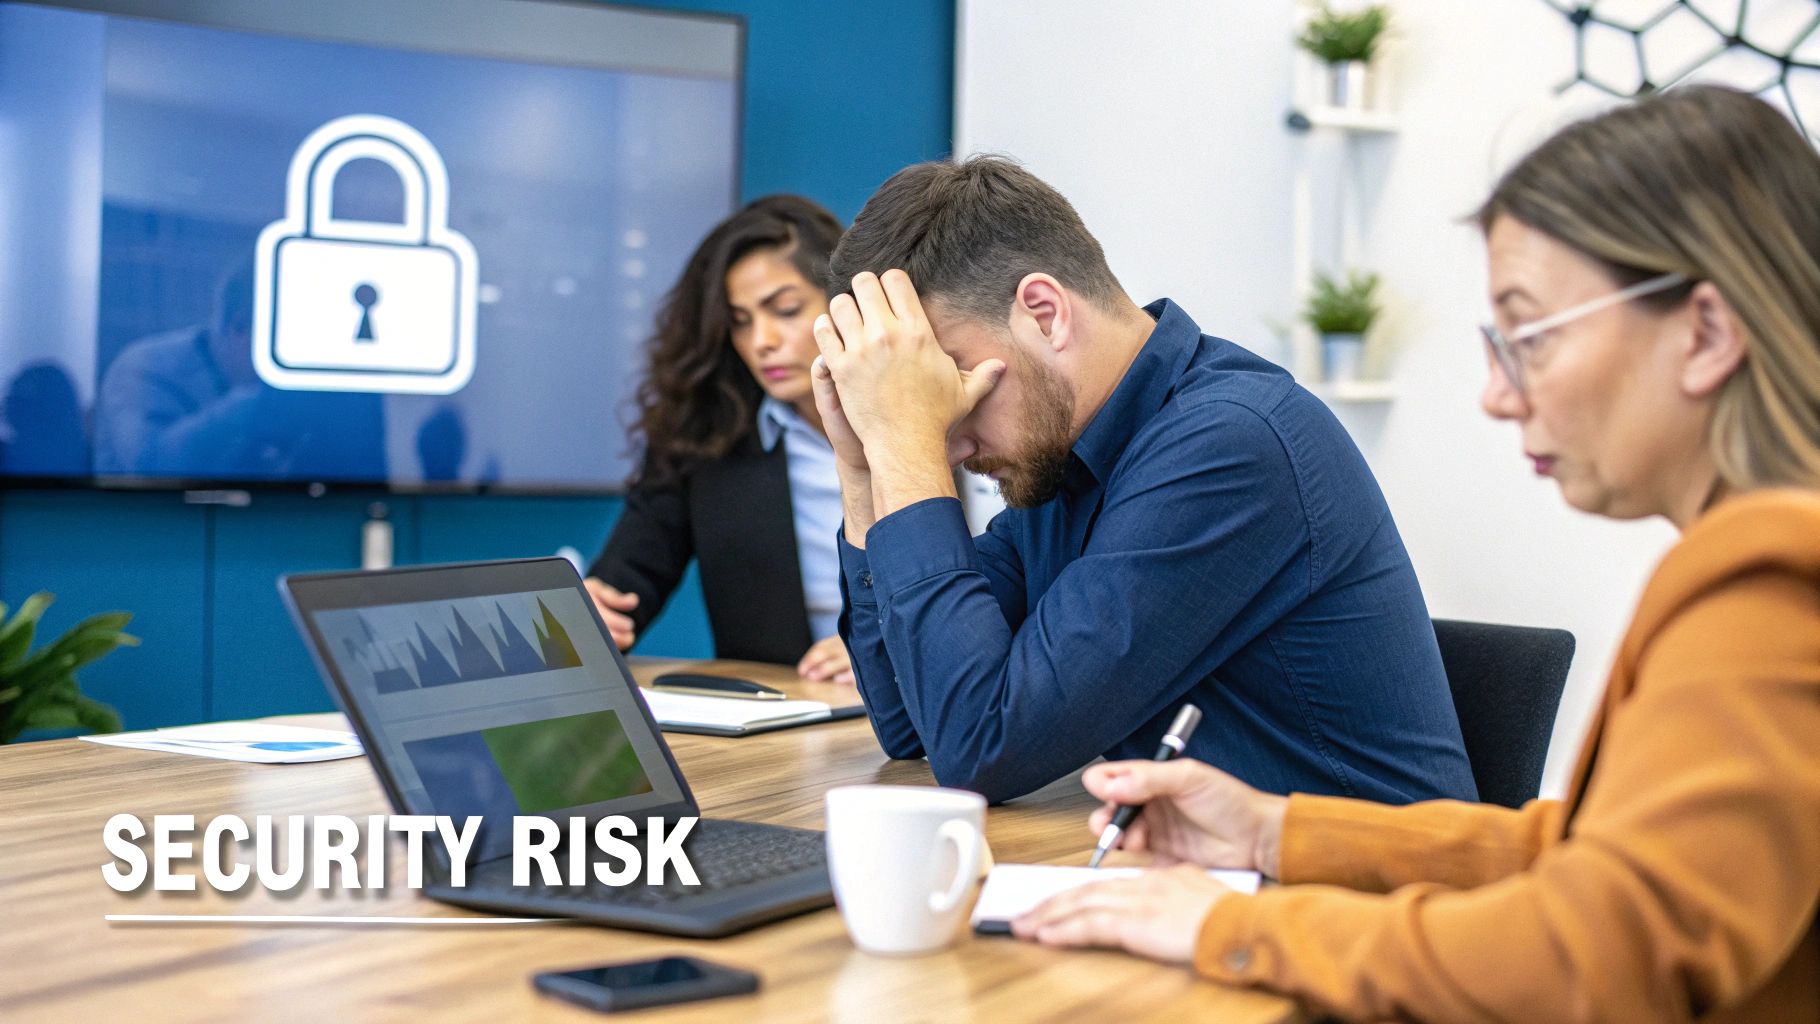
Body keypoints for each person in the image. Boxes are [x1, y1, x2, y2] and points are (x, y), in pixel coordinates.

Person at [1010, 85, 1820, 1023]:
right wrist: (1276, 831)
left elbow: (1597, 953)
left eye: (1530, 337)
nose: (1498, 394)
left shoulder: (1770, 576)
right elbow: (1599, 853)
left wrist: (1228, 931)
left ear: (1708, 334)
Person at [809, 158, 1479, 804]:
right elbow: (911, 722)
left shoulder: (1229, 447)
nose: (947, 436)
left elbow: (983, 746)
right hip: (1211, 884)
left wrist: (905, 441)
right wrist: (863, 467)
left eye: (946, 381)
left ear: (1044, 313)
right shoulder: (1065, 457)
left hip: (1360, 900)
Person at [586, 195, 856, 682]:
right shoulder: (705, 442)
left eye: (786, 310)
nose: (761, 341)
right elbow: (622, 588)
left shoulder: (934, 418)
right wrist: (591, 613)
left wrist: (882, 647)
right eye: (740, 321)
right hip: (783, 721)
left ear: (843, 303)